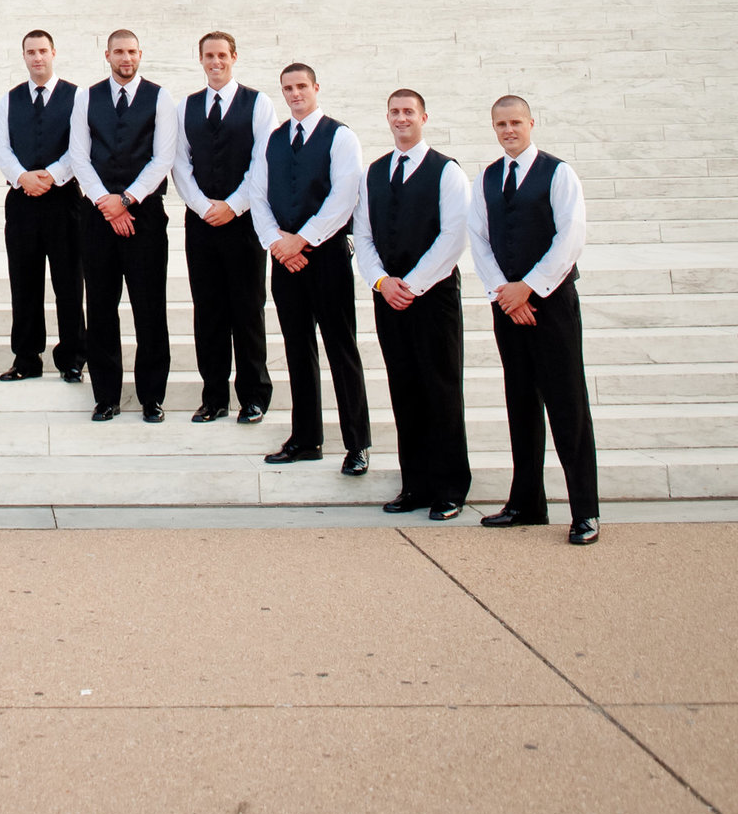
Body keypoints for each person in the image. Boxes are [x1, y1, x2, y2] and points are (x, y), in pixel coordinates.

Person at [468, 94, 599, 545]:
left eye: (515, 122)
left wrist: (531, 286)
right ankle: (526, 503)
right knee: (521, 404)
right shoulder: (487, 177)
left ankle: (585, 511)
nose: (508, 130)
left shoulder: (558, 173)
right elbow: (478, 238)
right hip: (507, 306)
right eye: (501, 124)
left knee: (568, 407)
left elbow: (571, 236)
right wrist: (504, 293)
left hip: (552, 305)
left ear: (531, 123)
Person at [353, 89, 472, 520]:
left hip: (433, 297)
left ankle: (450, 488)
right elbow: (362, 236)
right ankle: (415, 485)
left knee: (440, 390)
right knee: (404, 390)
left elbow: (453, 237)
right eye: (395, 112)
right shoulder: (374, 173)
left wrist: (413, 285)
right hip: (389, 297)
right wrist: (383, 282)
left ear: (424, 116)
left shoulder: (446, 172)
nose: (401, 119)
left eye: (409, 112)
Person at [252, 63, 372, 476]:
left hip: (326, 257)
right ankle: (306, 439)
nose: (295, 93)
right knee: (297, 350)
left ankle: (357, 444)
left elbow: (344, 197)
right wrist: (276, 242)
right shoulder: (273, 140)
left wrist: (300, 240)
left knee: (341, 348)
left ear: (316, 87)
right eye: (288, 88)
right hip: (284, 259)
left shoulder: (340, 136)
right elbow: (259, 195)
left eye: (302, 86)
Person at [68, 29, 176, 424]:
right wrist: (107, 203)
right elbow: (79, 157)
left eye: (131, 52)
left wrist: (127, 200)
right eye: (119, 52)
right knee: (99, 308)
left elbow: (163, 158)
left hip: (144, 215)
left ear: (140, 54)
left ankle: (152, 396)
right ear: (107, 55)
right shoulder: (86, 97)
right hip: (97, 215)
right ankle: (106, 396)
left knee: (150, 308)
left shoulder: (161, 97)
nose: (126, 58)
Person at [173, 30, 274, 427]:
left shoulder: (259, 103)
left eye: (222, 55)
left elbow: (263, 161)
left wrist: (233, 206)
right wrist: (202, 206)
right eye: (208, 56)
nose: (215, 62)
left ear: (234, 57)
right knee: (208, 311)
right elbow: (180, 162)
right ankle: (213, 395)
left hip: (245, 222)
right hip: (200, 224)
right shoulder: (187, 107)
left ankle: (253, 396)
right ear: (200, 60)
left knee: (247, 310)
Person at [0, 28, 85, 383]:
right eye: (31, 52)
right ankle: (27, 358)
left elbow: (80, 146)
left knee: (69, 281)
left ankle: (73, 357)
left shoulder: (77, 97)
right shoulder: (10, 99)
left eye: (43, 50)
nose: (37, 57)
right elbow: (1, 146)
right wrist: (22, 177)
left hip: (63, 201)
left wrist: (50, 175)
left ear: (54, 52)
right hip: (22, 202)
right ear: (24, 56)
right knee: (24, 280)